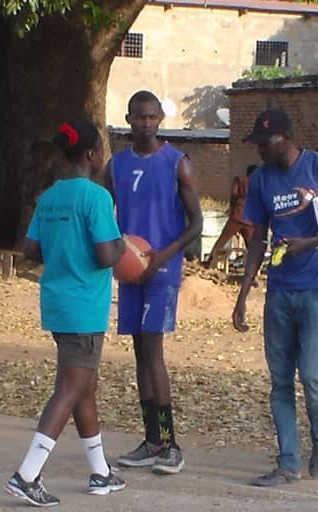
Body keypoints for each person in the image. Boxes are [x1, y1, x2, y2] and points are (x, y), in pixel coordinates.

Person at [5, 118, 128, 507]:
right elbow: (107, 254)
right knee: (70, 389)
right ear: (92, 155)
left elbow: (30, 249)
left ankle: (100, 471)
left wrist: (64, 247)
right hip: (84, 307)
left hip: (56, 300)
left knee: (84, 389)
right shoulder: (96, 198)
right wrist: (124, 246)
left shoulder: (50, 197)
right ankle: (27, 474)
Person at [231, 108, 318, 487]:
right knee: (280, 379)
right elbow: (257, 238)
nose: (259, 151)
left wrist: (313, 243)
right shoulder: (262, 181)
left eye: (264, 143)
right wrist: (243, 292)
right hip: (281, 290)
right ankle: (288, 461)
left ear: (285, 139)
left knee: (313, 376)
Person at [105, 90, 202, 475]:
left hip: (161, 268)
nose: (145, 123)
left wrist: (162, 255)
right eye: (138, 117)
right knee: (139, 354)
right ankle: (152, 440)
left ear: (161, 118)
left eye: (151, 117)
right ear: (128, 119)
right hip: (130, 268)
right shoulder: (117, 165)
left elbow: (195, 223)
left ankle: (170, 443)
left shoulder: (177, 163)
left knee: (153, 350)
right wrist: (113, 252)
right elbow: (101, 210)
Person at [202, 164, 258, 269]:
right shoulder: (259, 184)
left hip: (237, 214)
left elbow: (233, 195)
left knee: (222, 240)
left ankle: (210, 262)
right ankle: (254, 268)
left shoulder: (240, 180)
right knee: (251, 245)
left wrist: (231, 210)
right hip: (250, 218)